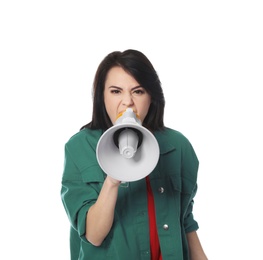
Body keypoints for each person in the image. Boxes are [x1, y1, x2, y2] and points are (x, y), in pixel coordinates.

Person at [61, 49, 208, 260]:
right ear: (101, 96)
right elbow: (93, 234)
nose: (127, 102)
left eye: (138, 91)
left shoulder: (178, 146)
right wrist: (113, 176)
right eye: (115, 91)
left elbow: (184, 220)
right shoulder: (80, 147)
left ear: (151, 97)